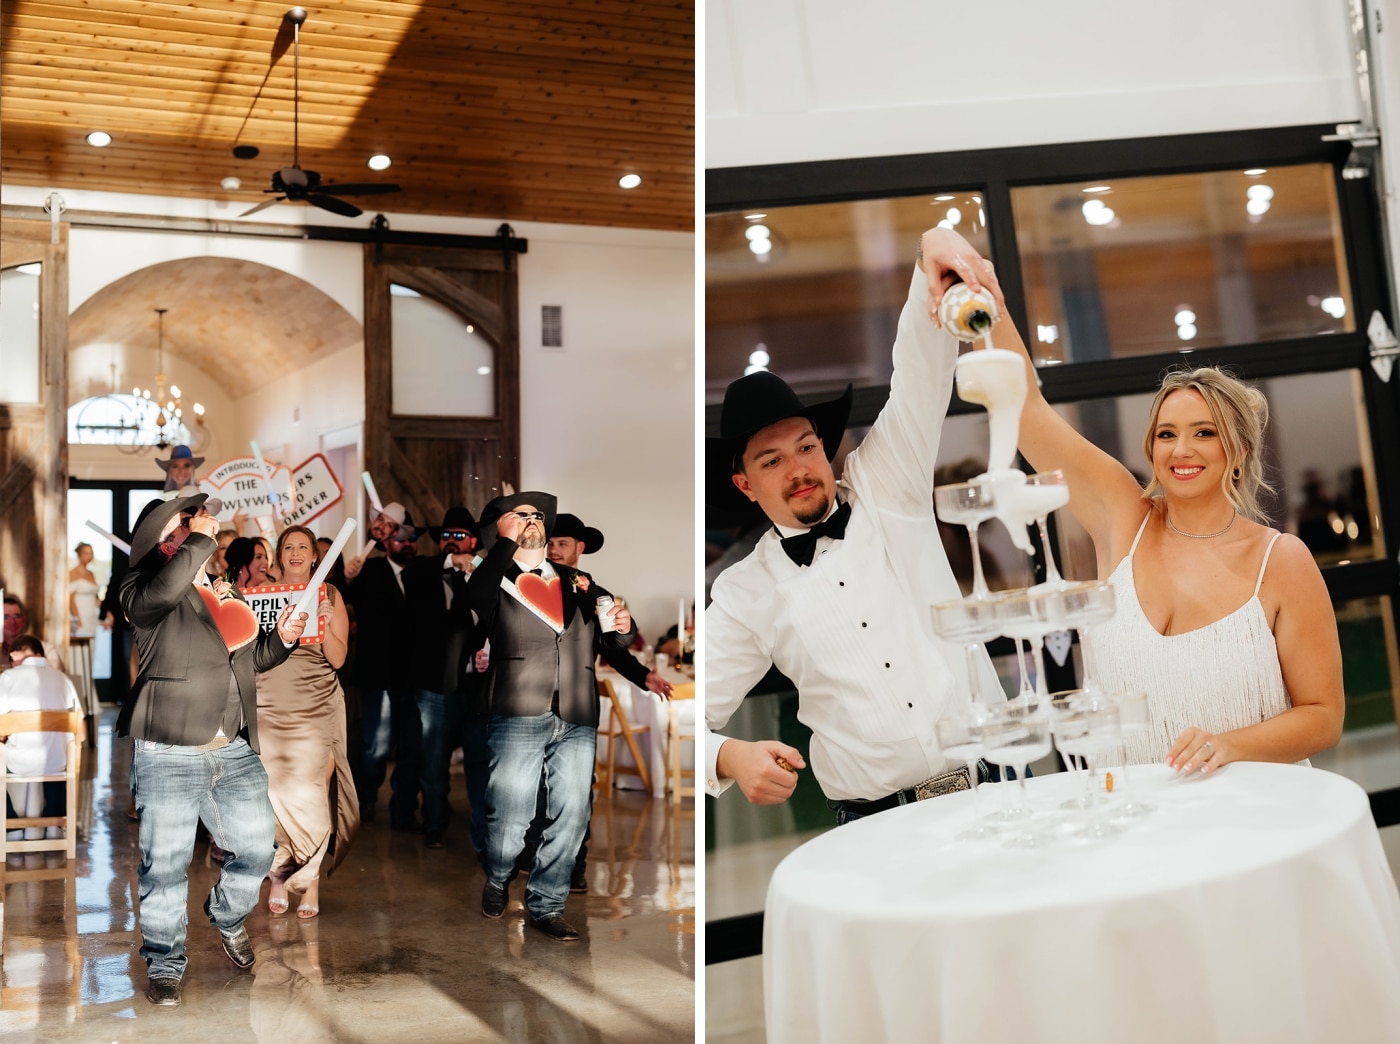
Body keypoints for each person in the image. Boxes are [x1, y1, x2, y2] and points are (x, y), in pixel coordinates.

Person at [704, 227, 1004, 823]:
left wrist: (931, 258)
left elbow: (918, 374)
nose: (798, 469)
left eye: (806, 447)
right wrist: (726, 755)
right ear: (745, 484)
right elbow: (677, 716)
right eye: (772, 461)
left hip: (994, 792)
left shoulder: (887, 488)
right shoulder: (744, 594)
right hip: (875, 828)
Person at [1002, 338, 1344, 771]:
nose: (1181, 449)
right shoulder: (1124, 522)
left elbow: (1323, 716)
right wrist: (983, 292)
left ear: (1238, 452)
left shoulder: (1280, 560)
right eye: (1167, 434)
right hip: (1134, 821)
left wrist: (1229, 745)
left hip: (1252, 818)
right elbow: (1024, 406)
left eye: (1204, 432)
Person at [117, 492, 307, 1007]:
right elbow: (161, 592)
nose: (198, 525)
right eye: (183, 524)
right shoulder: (141, 589)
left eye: (195, 523)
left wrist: (283, 639)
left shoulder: (226, 590)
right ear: (164, 541)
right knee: (166, 864)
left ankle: (225, 914)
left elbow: (247, 660)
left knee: (257, 847)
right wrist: (198, 540)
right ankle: (164, 961)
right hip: (169, 747)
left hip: (233, 745)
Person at [463, 492, 637, 941]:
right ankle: (500, 876)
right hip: (518, 708)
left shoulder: (578, 581)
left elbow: (614, 639)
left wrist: (622, 627)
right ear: (501, 527)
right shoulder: (492, 577)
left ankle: (547, 904)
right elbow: (471, 608)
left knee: (572, 812)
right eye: (520, 515)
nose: (532, 520)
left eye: (537, 515)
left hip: (577, 710)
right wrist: (502, 546)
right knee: (511, 815)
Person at [255, 526, 359, 919]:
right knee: (274, 796)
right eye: (288, 547)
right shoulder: (262, 594)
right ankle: (280, 876)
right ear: (279, 555)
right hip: (269, 702)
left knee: (314, 793)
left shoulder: (330, 594)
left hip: (317, 704)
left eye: (304, 547)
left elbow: (338, 659)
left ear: (315, 556)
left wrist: (329, 621)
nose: (296, 553)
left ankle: (310, 880)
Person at [402, 505, 480, 850]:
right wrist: (453, 563)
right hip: (435, 685)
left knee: (480, 764)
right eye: (445, 536)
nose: (450, 541)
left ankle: (483, 834)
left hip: (478, 687)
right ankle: (434, 825)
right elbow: (411, 573)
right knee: (433, 761)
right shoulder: (425, 571)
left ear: (474, 541)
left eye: (458, 536)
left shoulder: (487, 574)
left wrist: (474, 568)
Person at [344, 516, 422, 829]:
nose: (406, 543)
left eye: (411, 538)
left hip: (414, 678)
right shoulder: (371, 569)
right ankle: (366, 801)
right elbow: (348, 590)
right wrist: (349, 577)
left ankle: (404, 810)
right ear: (387, 542)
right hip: (378, 675)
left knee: (410, 747)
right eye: (399, 538)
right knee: (374, 746)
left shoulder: (422, 573)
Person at [0, 634, 84, 840]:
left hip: (18, 764)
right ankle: (55, 822)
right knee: (56, 750)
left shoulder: (8, 678)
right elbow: (80, 734)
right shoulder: (63, 679)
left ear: (15, 654)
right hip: (57, 765)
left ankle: (12, 825)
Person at [68, 542, 102, 636]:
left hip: (92, 614)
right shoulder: (73, 573)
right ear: (79, 554)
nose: (89, 556)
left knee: (92, 642)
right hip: (80, 614)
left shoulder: (91, 574)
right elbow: (70, 600)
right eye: (86, 553)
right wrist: (77, 620)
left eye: (91, 553)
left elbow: (96, 598)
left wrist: (107, 613)